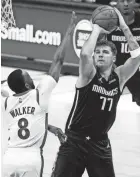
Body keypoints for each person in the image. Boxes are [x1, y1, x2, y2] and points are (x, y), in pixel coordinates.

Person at [51, 8, 140, 177]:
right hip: (75, 141)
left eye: (105, 52)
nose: (100, 55)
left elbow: (137, 56)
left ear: (114, 58)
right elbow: (85, 54)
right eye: (98, 52)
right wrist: (96, 29)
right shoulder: (89, 74)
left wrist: (123, 27)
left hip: (100, 143)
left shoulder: (119, 77)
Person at [2, 11, 76, 177]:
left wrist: (50, 127)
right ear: (28, 84)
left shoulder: (6, 102)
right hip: (31, 158)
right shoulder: (39, 94)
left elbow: (24, 118)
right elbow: (58, 61)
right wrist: (69, 31)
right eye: (27, 74)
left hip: (9, 158)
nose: (29, 74)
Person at [108, 0, 140, 106]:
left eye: (129, 0)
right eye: (122, 1)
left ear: (135, 2)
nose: (126, 4)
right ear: (116, 2)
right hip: (116, 71)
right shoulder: (108, 21)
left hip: (137, 72)